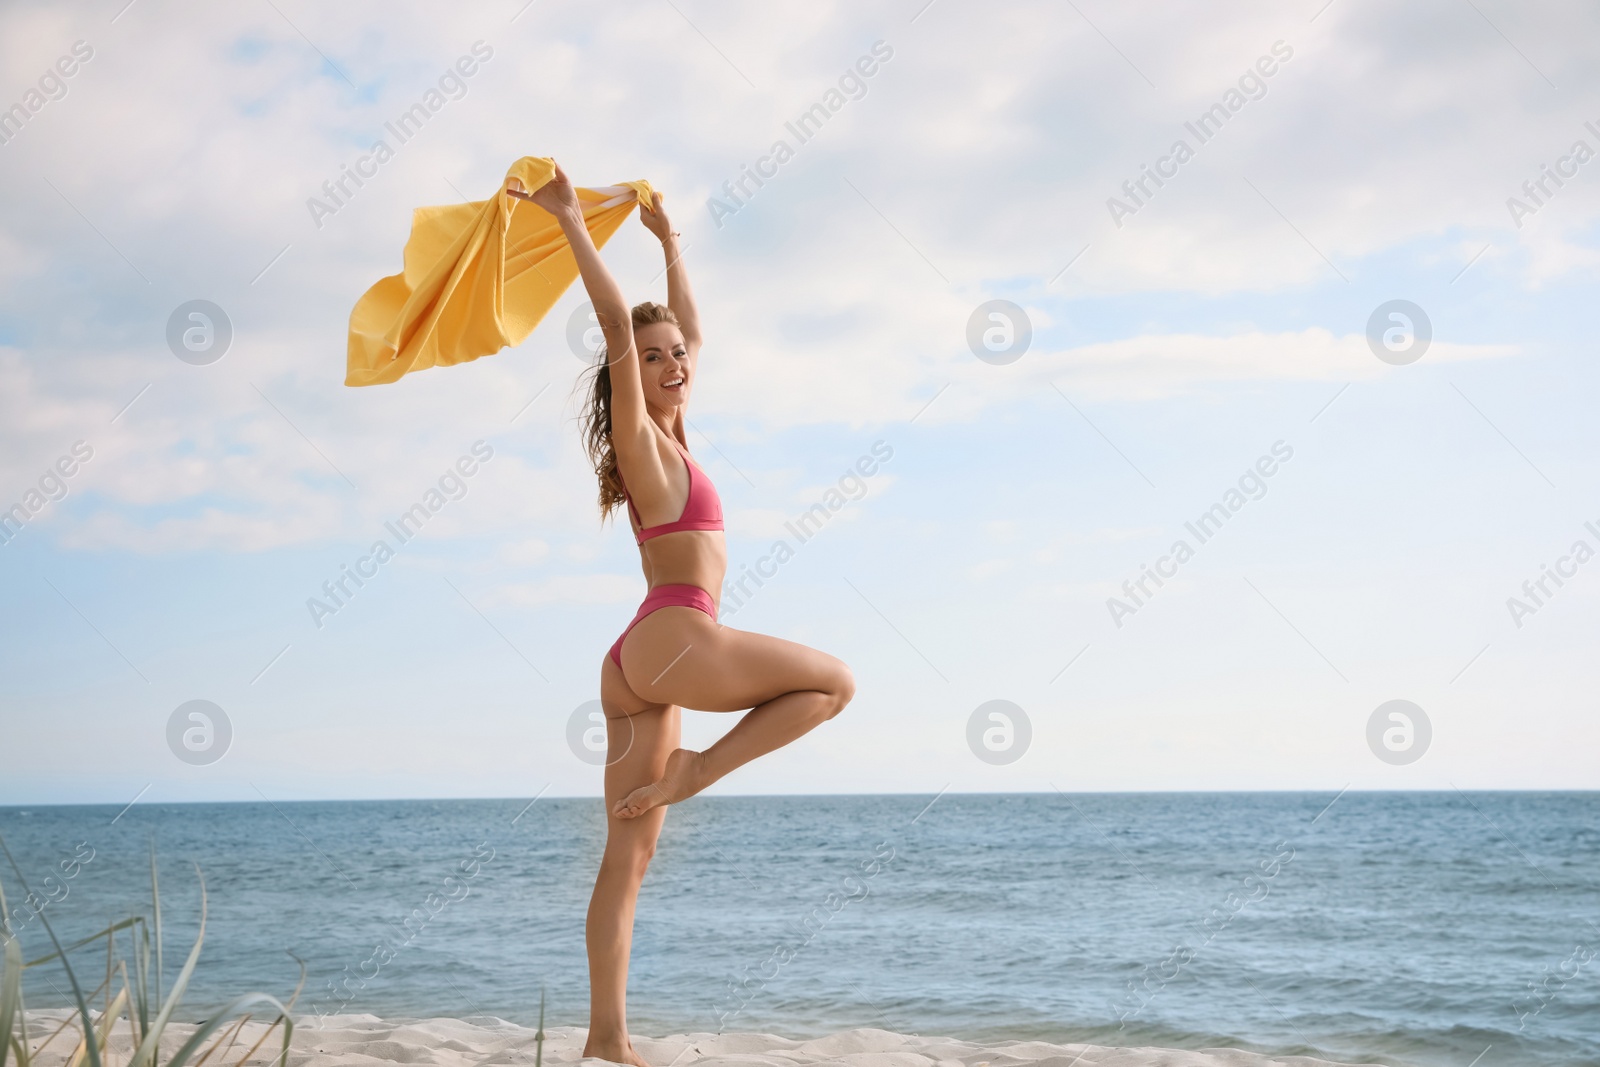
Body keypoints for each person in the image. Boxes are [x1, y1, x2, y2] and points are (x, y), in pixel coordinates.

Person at [508, 163, 856, 1067]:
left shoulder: (677, 432)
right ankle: (698, 769)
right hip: (672, 635)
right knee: (834, 683)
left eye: (677, 357)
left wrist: (669, 242)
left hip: (636, 660)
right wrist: (576, 224)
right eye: (655, 357)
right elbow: (622, 336)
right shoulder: (639, 436)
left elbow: (687, 325)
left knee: (629, 856)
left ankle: (605, 1040)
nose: (672, 362)